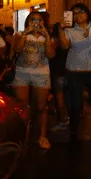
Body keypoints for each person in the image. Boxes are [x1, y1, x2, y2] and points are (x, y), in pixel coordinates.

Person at [59, 3, 91, 143]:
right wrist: (61, 29)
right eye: (75, 13)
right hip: (75, 71)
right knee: (76, 104)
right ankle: (73, 132)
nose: (78, 15)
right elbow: (64, 46)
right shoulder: (70, 30)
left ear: (87, 12)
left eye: (81, 12)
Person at [11, 11, 55, 149]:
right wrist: (25, 34)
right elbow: (17, 49)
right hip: (22, 73)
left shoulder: (49, 37)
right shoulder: (20, 35)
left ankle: (42, 136)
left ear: (44, 22)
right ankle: (24, 135)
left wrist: (47, 36)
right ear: (28, 22)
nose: (36, 23)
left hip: (41, 74)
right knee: (22, 106)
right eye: (33, 20)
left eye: (39, 20)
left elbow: (51, 55)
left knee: (41, 107)